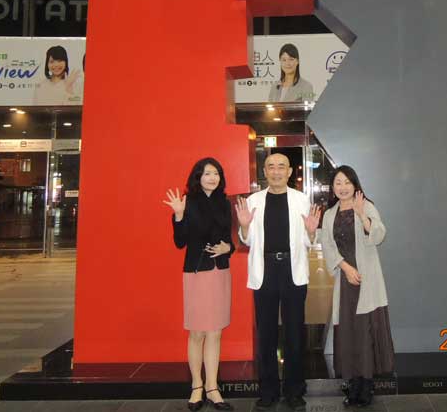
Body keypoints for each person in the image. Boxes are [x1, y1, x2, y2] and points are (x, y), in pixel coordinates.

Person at [235, 153, 321, 410]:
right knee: (266, 334)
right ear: (264, 171)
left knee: (294, 332)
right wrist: (244, 227)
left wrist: (311, 231)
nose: (276, 171)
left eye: (281, 167)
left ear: (289, 171)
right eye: (271, 167)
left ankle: (295, 390)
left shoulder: (301, 199)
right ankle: (268, 390)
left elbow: (308, 240)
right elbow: (247, 240)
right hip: (265, 271)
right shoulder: (253, 201)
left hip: (292, 271)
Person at [320, 165, 394, 407]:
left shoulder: (366, 205)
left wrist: (362, 216)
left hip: (367, 279)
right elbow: (327, 245)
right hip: (346, 279)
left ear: (354, 185)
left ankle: (367, 385)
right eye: (338, 183)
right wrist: (345, 268)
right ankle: (352, 384)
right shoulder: (329, 214)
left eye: (347, 182)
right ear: (333, 187)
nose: (342, 187)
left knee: (364, 332)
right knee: (348, 332)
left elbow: (379, 235)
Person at [164, 158, 235, 411]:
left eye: (216, 173)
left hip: (219, 272)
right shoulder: (189, 202)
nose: (212, 178)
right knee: (197, 332)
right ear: (198, 177)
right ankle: (197, 386)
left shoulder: (225, 203)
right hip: (196, 271)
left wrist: (228, 248)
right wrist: (178, 215)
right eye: (207, 173)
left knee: (215, 332)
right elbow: (180, 242)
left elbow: (230, 238)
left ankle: (212, 388)